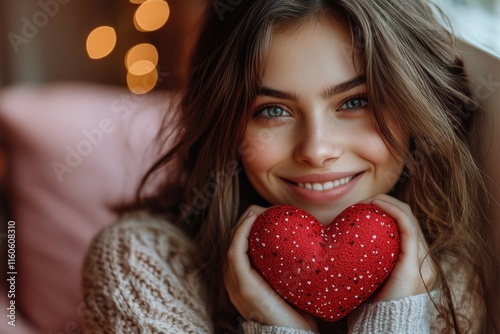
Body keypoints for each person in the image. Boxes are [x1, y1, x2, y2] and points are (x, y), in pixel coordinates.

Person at [81, 0, 499, 333]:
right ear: (224, 125)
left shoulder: (447, 277)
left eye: (355, 102)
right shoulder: (137, 266)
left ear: (415, 110)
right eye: (272, 110)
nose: (316, 150)